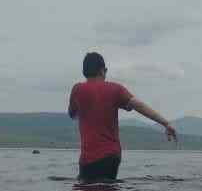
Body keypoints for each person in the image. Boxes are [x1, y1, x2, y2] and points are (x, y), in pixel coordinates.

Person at [68, 52, 177, 181]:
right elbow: (139, 106)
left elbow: (72, 114)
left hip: (89, 158)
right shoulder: (115, 89)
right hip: (112, 156)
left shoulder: (77, 90)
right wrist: (166, 123)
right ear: (103, 70)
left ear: (84, 71)